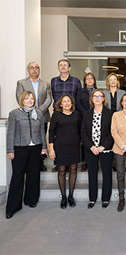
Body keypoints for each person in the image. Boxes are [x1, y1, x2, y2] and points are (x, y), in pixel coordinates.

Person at [6, 91, 47, 219]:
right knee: (17, 176)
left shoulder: (39, 114)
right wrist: (10, 150)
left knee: (33, 174)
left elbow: (41, 132)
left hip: (36, 147)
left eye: (32, 99)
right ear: (22, 100)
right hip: (19, 148)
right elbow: (10, 133)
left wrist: (44, 147)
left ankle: (31, 200)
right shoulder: (14, 114)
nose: (30, 101)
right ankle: (13, 207)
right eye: (27, 99)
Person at [16, 62, 52, 171]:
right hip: (26, 116)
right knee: (29, 139)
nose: (34, 70)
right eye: (32, 68)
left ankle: (40, 162)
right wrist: (31, 110)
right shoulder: (21, 83)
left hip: (43, 115)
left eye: (36, 67)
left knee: (41, 139)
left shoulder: (45, 84)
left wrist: (39, 110)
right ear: (28, 70)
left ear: (39, 70)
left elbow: (49, 99)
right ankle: (29, 162)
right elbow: (19, 97)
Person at [81, 89, 114, 209]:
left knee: (107, 174)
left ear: (104, 99)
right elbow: (83, 132)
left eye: (100, 96)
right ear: (92, 99)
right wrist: (91, 146)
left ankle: (106, 198)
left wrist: (103, 146)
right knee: (92, 174)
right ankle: (92, 198)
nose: (97, 98)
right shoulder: (87, 114)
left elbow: (112, 132)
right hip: (91, 150)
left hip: (105, 149)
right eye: (95, 96)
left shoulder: (110, 113)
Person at [49, 95, 81, 209]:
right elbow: (51, 132)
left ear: (72, 103)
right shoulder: (56, 115)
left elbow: (81, 130)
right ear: (60, 104)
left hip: (74, 146)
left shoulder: (77, 114)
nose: (67, 103)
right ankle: (63, 197)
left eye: (69, 101)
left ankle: (71, 196)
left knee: (73, 169)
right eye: (64, 101)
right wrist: (51, 149)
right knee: (61, 171)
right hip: (60, 147)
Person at [50, 59, 83, 172]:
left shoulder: (76, 81)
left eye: (65, 65)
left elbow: (78, 98)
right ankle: (60, 162)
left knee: (72, 138)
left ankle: (71, 163)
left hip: (72, 114)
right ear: (58, 68)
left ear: (69, 68)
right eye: (61, 65)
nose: (63, 67)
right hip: (58, 114)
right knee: (59, 138)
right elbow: (53, 97)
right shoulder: (53, 81)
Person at [80, 72, 97, 171]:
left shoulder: (98, 92)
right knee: (85, 141)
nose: (90, 80)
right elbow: (78, 103)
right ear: (85, 81)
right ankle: (84, 162)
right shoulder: (81, 92)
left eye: (91, 78)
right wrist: (87, 114)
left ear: (94, 81)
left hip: (96, 118)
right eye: (87, 79)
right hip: (85, 118)